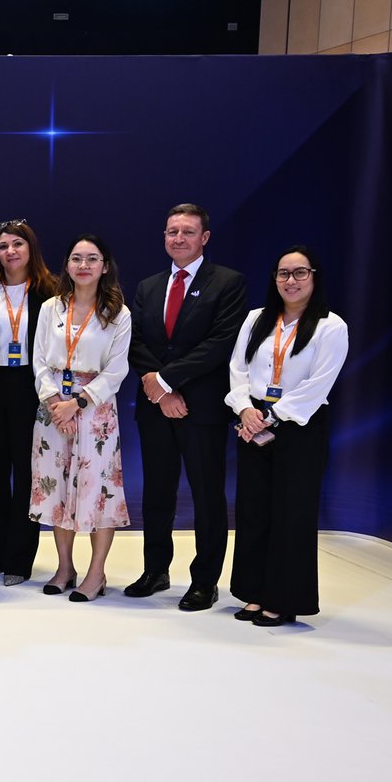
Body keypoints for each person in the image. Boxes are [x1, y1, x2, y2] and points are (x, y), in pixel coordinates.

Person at [126, 204, 248, 611]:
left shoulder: (228, 282)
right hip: (155, 408)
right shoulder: (148, 286)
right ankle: (155, 570)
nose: (178, 238)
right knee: (156, 493)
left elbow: (220, 343)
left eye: (187, 231)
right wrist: (161, 393)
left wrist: (166, 382)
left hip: (202, 409)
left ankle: (204, 581)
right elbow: (136, 341)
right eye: (172, 231)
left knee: (207, 496)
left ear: (204, 237)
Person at [225, 247, 348, 627]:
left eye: (299, 273)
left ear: (314, 276)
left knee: (291, 514)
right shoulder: (256, 319)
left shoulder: (330, 326)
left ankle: (282, 599)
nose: (290, 281)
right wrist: (245, 409)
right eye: (283, 273)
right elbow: (238, 368)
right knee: (253, 510)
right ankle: (253, 592)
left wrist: (270, 416)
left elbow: (318, 384)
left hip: (299, 428)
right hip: (253, 422)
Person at [30, 235, 133, 603]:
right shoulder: (51, 308)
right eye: (76, 258)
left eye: (92, 258)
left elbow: (116, 371)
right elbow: (39, 360)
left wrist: (77, 403)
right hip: (52, 410)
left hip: (94, 412)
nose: (84, 265)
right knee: (56, 487)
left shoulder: (118, 313)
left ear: (105, 266)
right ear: (67, 265)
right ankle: (64, 568)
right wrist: (54, 401)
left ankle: (96, 572)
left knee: (97, 490)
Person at [0, 220, 59, 587]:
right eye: (3, 246)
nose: (10, 251)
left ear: (31, 248)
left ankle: (19, 561)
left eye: (17, 244)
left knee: (27, 476)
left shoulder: (51, 292)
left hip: (31, 385)